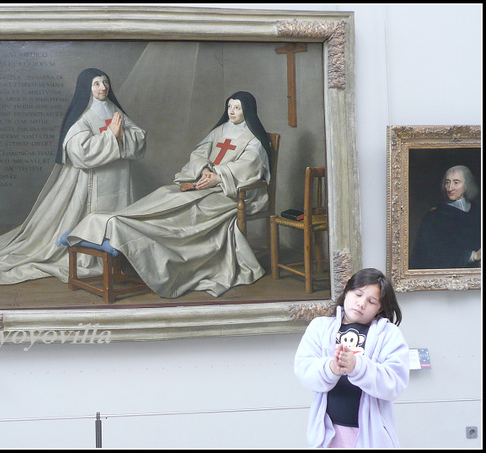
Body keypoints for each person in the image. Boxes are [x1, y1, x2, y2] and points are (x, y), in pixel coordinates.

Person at [65, 91, 272, 298]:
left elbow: (250, 167)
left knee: (191, 206)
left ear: (248, 110)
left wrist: (219, 177)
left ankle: (134, 235)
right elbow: (199, 154)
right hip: (202, 182)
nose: (232, 111)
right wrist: (204, 171)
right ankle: (120, 221)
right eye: (230, 107)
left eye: (237, 107)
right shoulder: (219, 131)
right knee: (166, 193)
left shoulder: (253, 139)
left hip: (229, 193)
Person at [0, 68, 147, 284]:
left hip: (119, 179)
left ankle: (116, 253)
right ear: (87, 88)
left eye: (105, 82)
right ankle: (89, 255)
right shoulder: (83, 116)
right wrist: (111, 137)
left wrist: (120, 136)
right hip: (89, 182)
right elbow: (79, 152)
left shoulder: (114, 110)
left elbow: (140, 137)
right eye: (96, 83)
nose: (103, 87)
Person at [294, 268, 409, 448]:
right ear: (347, 289)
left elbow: (394, 383)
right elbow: (304, 370)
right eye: (358, 294)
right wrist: (331, 368)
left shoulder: (388, 334)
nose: (361, 304)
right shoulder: (320, 327)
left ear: (380, 307)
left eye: (371, 301)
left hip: (372, 436)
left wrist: (358, 367)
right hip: (328, 433)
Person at [410, 165, 481, 269]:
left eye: (456, 182)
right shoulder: (434, 216)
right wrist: (473, 256)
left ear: (467, 185)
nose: (450, 188)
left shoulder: (477, 211)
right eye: (447, 182)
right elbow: (432, 254)